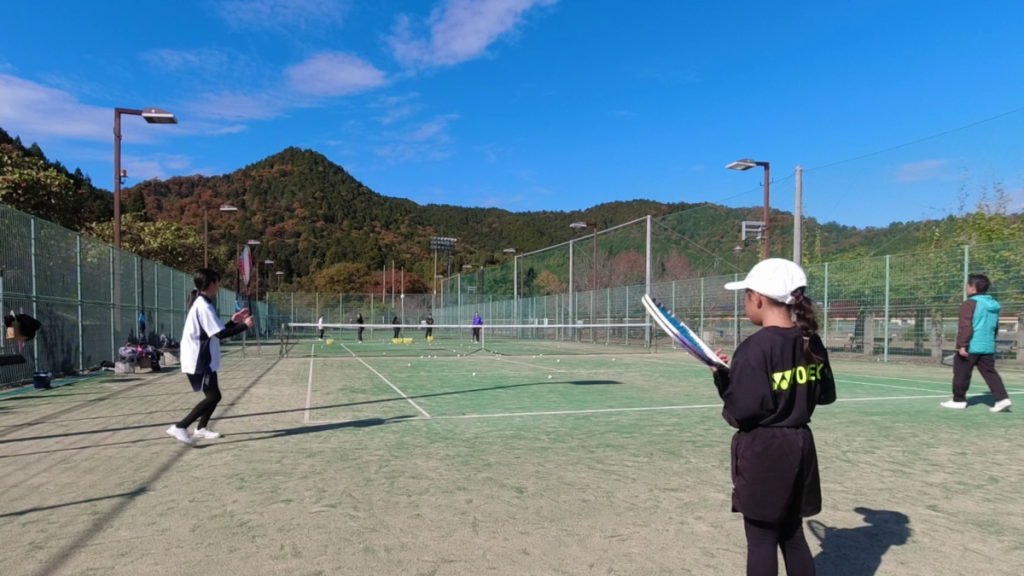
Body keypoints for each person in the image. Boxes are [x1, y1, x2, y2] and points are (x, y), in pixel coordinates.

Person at [711, 258, 836, 576]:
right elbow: (825, 395)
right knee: (792, 534)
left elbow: (741, 413)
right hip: (800, 447)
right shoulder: (811, 341)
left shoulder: (753, 348)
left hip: (764, 452)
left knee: (761, 539)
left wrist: (723, 379)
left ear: (758, 298)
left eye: (746, 296)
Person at [166, 269, 254, 446]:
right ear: (211, 284)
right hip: (199, 358)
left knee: (214, 395)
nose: (219, 285)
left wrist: (234, 321)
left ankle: (201, 429)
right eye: (217, 282)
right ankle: (180, 427)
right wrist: (244, 326)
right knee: (213, 397)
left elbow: (215, 331)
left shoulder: (204, 303)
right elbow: (219, 335)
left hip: (204, 357)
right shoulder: (203, 305)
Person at [942, 274, 1013, 412]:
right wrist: (990, 341)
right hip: (987, 346)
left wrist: (962, 345)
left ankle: (958, 400)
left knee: (961, 373)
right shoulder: (994, 305)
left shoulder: (969, 304)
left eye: (967, 285)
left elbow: (966, 326)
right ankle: (1002, 399)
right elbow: (995, 326)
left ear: (973, 288)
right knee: (990, 373)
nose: (966, 287)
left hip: (971, 345)